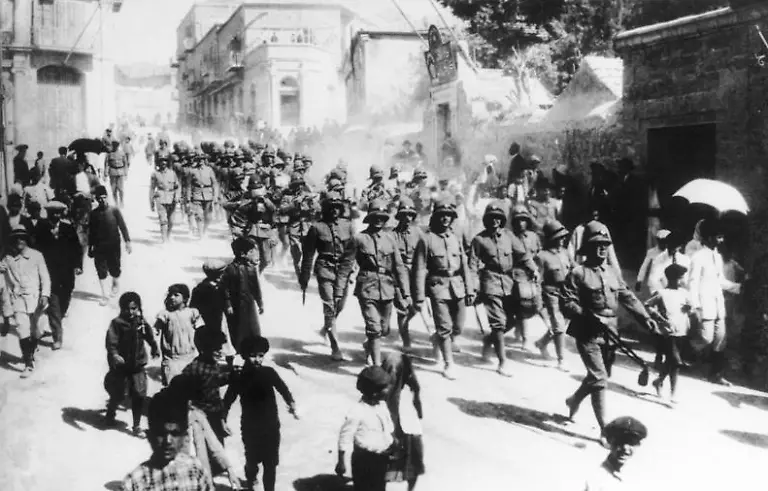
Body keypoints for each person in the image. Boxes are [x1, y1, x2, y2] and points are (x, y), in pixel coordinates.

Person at [562, 221, 656, 438]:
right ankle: (605, 430)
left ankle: (574, 400)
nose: (602, 248)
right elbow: (566, 302)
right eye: (597, 244)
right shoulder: (578, 273)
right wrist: (583, 313)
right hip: (587, 332)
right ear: (587, 247)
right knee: (599, 378)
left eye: (605, 244)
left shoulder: (612, 273)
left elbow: (628, 297)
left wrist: (646, 318)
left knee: (599, 377)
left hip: (610, 333)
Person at [337, 199, 411, 366]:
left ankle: (369, 344)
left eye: (382, 217)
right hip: (367, 286)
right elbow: (345, 266)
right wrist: (339, 291)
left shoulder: (390, 239)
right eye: (375, 217)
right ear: (369, 218)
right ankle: (377, 366)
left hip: (387, 287)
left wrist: (406, 293)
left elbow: (399, 267)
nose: (379, 220)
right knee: (374, 328)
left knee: (384, 330)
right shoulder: (359, 239)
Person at [470, 202, 537, 376]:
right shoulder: (479, 240)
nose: (495, 221)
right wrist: (473, 286)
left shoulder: (508, 236)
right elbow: (472, 265)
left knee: (513, 320)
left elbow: (523, 255)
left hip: (509, 281)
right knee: (498, 323)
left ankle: (488, 340)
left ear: (502, 220)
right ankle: (502, 362)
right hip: (490, 283)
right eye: (492, 218)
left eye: (498, 218)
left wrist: (533, 269)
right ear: (486, 220)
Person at [223, 336, 298, 491]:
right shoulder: (239, 377)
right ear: (244, 356)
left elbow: (282, 388)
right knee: (252, 460)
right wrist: (223, 419)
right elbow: (228, 399)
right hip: (250, 426)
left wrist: (291, 403)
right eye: (253, 356)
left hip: (271, 425)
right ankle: (251, 480)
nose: (257, 360)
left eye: (260, 355)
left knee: (270, 463)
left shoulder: (269, 372)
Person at [412, 198, 474, 380]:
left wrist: (470, 289)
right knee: (444, 327)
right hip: (438, 286)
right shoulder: (426, 239)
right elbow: (419, 269)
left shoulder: (455, 237)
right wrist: (419, 297)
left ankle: (438, 339)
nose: (446, 218)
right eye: (442, 215)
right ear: (436, 217)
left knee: (459, 325)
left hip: (457, 286)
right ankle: (449, 363)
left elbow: (464, 264)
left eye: (449, 215)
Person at [122, 387, 214, 491]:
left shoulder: (195, 470)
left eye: (175, 434)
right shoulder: (135, 483)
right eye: (161, 433)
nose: (168, 441)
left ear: (185, 436)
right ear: (150, 436)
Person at [300, 191, 355, 361]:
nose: (334, 211)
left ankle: (327, 327)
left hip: (344, 271)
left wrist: (353, 268)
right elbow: (308, 254)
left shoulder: (349, 226)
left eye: (337, 207)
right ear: (325, 209)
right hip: (325, 269)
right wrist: (304, 277)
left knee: (341, 305)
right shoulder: (317, 228)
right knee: (329, 306)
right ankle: (335, 346)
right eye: (331, 208)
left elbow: (353, 251)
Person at [688, 218, 742, 386]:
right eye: (718, 237)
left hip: (718, 304)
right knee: (705, 338)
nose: (721, 240)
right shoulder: (698, 257)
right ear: (708, 238)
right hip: (705, 305)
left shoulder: (717, 257)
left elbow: (721, 280)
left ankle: (716, 374)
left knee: (720, 339)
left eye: (721, 237)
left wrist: (739, 287)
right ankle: (681, 351)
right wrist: (695, 306)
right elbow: (692, 282)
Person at [104, 291, 159, 437]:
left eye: (134, 308)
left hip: (138, 366)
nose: (130, 312)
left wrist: (154, 347)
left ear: (139, 308)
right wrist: (115, 355)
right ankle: (111, 411)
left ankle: (136, 426)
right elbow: (111, 342)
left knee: (139, 394)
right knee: (117, 392)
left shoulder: (141, 322)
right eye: (127, 308)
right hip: (122, 366)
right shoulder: (117, 323)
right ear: (121, 308)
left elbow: (149, 336)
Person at [0, 227, 50, 377]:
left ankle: (31, 350)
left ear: (27, 240)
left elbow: (45, 277)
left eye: (21, 238)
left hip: (36, 300)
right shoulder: (8, 259)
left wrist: (45, 295)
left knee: (37, 331)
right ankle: (28, 364)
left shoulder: (37, 256)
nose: (19, 242)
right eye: (15, 239)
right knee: (22, 330)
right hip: (18, 300)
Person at [33, 201, 83, 350]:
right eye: (53, 213)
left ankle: (57, 321)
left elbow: (77, 247)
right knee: (53, 303)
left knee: (65, 300)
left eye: (58, 213)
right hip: (49, 273)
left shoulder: (68, 228)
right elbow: (35, 248)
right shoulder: (40, 229)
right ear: (48, 213)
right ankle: (57, 337)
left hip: (66, 273)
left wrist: (78, 265)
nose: (56, 216)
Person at [336, 366, 395, 491]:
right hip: (364, 460)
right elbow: (345, 438)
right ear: (374, 392)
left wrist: (392, 443)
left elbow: (387, 428)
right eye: (385, 387)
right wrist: (341, 462)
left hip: (382, 457)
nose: (389, 389)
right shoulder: (357, 411)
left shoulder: (382, 405)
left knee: (379, 486)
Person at [645, 264, 691, 404]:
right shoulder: (662, 293)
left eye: (682, 278)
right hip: (668, 332)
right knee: (676, 362)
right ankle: (673, 393)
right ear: (671, 279)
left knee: (671, 361)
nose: (681, 281)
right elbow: (647, 305)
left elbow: (691, 310)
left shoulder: (684, 293)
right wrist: (660, 318)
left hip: (682, 331)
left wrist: (689, 309)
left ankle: (658, 381)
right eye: (679, 278)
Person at [181, 328, 232, 443]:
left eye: (220, 348)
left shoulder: (213, 364)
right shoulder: (193, 368)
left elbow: (215, 380)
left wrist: (230, 376)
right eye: (216, 349)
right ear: (204, 349)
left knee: (218, 448)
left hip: (216, 413)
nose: (220, 352)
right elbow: (185, 392)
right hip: (201, 415)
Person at [381, 352, 424, 491]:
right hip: (399, 427)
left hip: (404, 428)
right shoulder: (385, 389)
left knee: (406, 463)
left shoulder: (391, 386)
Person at [533, 220, 573, 370]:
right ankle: (561, 360)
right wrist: (538, 303)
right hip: (551, 294)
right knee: (558, 325)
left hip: (566, 293)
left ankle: (541, 343)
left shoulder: (565, 253)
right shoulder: (541, 257)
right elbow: (537, 281)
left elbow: (574, 268)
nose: (563, 240)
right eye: (559, 237)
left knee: (564, 323)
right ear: (551, 238)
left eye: (563, 237)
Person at [88, 185, 132, 306]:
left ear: (107, 197)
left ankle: (115, 283)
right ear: (96, 199)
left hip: (113, 245)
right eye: (99, 198)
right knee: (101, 270)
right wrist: (90, 247)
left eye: (104, 197)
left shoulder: (114, 211)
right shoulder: (93, 214)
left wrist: (127, 242)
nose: (102, 200)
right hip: (99, 246)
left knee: (115, 268)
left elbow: (123, 227)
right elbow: (91, 232)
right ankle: (104, 295)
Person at [154, 283, 205, 386]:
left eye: (176, 295)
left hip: (190, 357)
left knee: (190, 387)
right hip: (171, 358)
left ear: (185, 298)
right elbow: (155, 329)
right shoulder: (165, 314)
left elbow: (201, 331)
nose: (172, 297)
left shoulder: (192, 312)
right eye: (170, 295)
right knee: (172, 388)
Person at [222, 236, 263, 355]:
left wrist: (260, 303)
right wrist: (228, 304)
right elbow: (225, 288)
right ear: (242, 254)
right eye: (251, 252)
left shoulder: (251, 269)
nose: (253, 254)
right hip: (236, 305)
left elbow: (256, 288)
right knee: (238, 328)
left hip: (249, 303)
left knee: (253, 327)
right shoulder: (230, 269)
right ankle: (239, 350)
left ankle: (254, 349)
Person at [582, 417, 647, 491]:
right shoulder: (596, 480)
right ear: (609, 443)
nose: (625, 448)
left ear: (638, 445)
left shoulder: (641, 474)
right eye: (620, 442)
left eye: (631, 443)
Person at [392, 198, 422, 352]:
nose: (408, 218)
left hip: (415, 274)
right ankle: (406, 339)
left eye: (410, 215)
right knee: (403, 308)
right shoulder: (393, 235)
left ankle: (403, 327)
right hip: (399, 275)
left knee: (417, 307)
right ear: (399, 216)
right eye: (404, 215)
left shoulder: (418, 233)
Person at [190, 260, 227, 340]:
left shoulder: (221, 286)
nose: (223, 275)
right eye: (221, 273)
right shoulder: (200, 288)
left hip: (219, 314)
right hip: (207, 317)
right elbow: (193, 306)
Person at [186, 150, 219, 239]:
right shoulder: (192, 171)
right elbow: (188, 185)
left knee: (208, 217)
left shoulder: (209, 170)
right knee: (199, 215)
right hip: (196, 194)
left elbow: (215, 183)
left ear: (205, 160)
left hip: (208, 194)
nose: (201, 161)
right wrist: (188, 198)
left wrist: (215, 196)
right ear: (196, 160)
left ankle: (204, 229)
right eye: (199, 159)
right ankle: (200, 234)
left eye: (202, 159)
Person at [149, 155, 180, 244]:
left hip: (171, 198)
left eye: (165, 161)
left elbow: (177, 186)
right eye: (161, 161)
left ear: (168, 162)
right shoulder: (155, 174)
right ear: (159, 163)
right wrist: (151, 202)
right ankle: (164, 239)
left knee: (171, 221)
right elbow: (151, 188)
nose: (163, 163)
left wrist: (177, 196)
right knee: (163, 220)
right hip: (160, 197)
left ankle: (168, 236)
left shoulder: (172, 173)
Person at [105, 140, 129, 209]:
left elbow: (125, 163)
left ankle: (121, 201)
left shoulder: (122, 153)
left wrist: (126, 173)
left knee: (121, 189)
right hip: (112, 172)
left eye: (116, 146)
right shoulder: (109, 154)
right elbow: (106, 163)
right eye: (114, 145)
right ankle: (116, 203)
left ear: (118, 146)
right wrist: (106, 173)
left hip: (120, 172)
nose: (115, 147)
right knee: (113, 189)